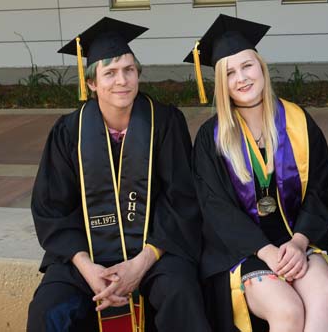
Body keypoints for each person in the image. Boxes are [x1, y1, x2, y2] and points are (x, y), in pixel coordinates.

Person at [27, 17, 211, 332]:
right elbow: (51, 208)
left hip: (154, 253)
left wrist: (142, 262)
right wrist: (87, 268)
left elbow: (182, 199)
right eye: (109, 73)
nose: (121, 81)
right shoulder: (68, 132)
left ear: (138, 75)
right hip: (84, 258)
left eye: (128, 70)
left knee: (179, 292)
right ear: (92, 83)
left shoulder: (165, 123)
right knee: (48, 308)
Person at [185, 14, 328, 332]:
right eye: (229, 73)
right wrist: (265, 250)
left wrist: (301, 240)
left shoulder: (298, 121)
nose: (241, 78)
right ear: (222, 84)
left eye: (247, 66)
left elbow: (322, 188)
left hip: (296, 238)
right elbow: (214, 206)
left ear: (261, 67)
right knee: (287, 309)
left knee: (326, 292)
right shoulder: (213, 137)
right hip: (244, 249)